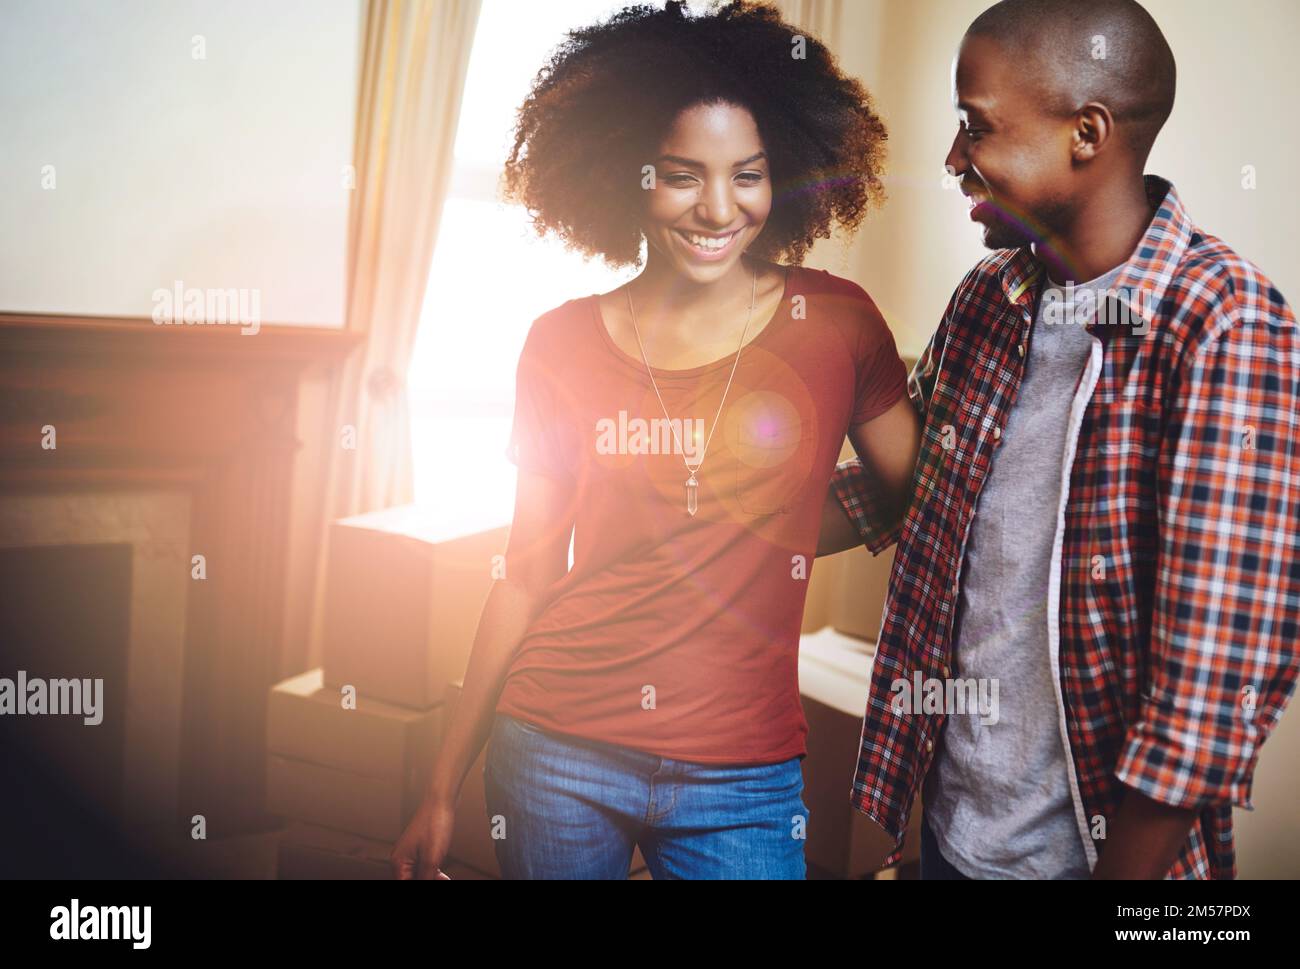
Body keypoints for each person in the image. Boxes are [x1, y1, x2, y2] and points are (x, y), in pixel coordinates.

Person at [391, 0, 921, 880]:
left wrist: (780, 526)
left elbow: (924, 495)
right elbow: (524, 572)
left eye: (748, 175)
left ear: (783, 170)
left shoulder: (836, 324)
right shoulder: (558, 341)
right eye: (683, 175)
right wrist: (442, 784)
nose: (720, 207)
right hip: (557, 747)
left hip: (745, 776)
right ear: (625, 175)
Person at [819, 0, 1299, 879]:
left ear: (1087, 132)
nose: (954, 160)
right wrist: (697, 513)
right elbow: (901, 486)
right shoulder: (985, 300)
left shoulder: (1225, 323)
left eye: (976, 128)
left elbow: (1205, 696)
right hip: (945, 838)